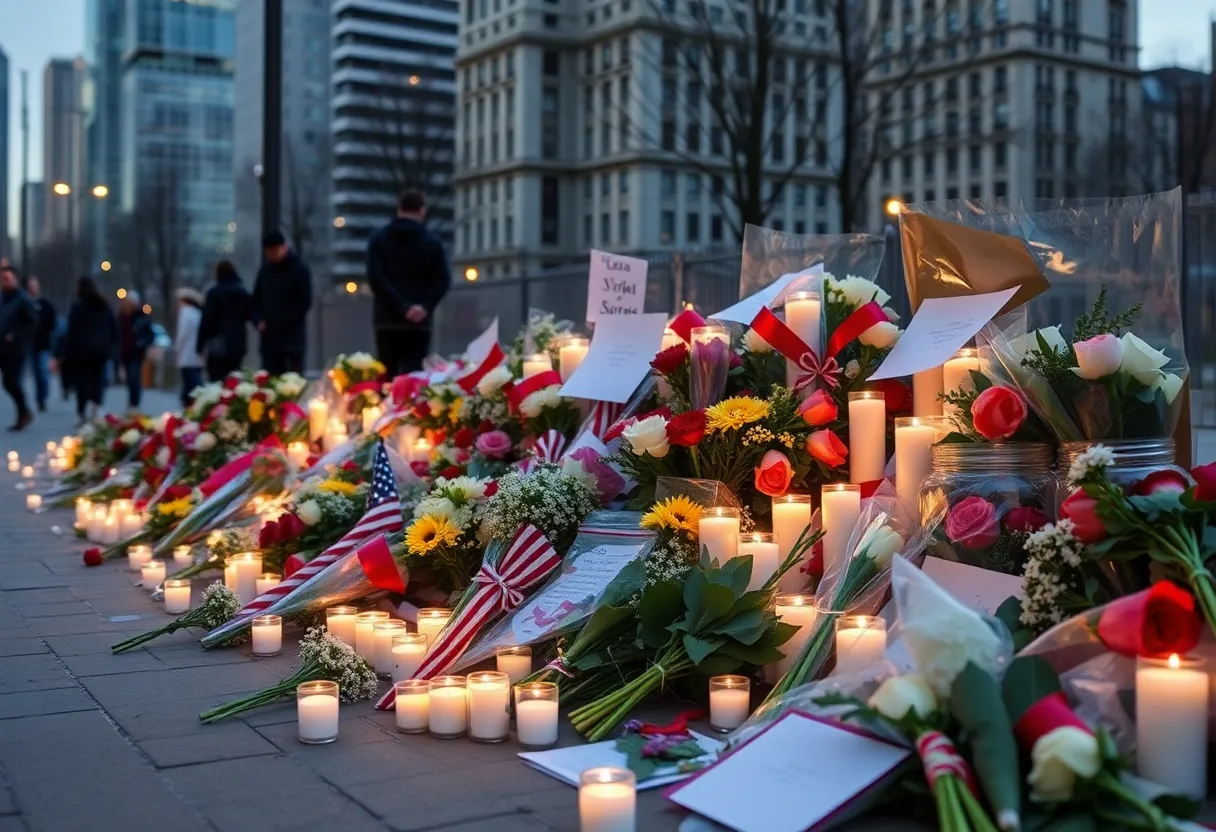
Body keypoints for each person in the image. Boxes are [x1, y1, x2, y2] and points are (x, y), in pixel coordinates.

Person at [367, 189, 451, 376]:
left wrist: (401, 307)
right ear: (422, 211)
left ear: (399, 209)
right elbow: (443, 280)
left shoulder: (378, 241)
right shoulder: (433, 243)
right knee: (414, 377)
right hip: (419, 324)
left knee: (387, 375)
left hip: (387, 321)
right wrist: (423, 307)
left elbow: (377, 278)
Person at [251, 231, 312, 375]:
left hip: (292, 339)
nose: (272, 255)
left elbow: (304, 302)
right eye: (269, 252)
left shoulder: (299, 270)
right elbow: (255, 300)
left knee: (292, 380)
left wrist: (281, 320)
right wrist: (258, 320)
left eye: (275, 251)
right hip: (269, 340)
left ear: (284, 247)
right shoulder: (265, 271)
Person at [58, 276, 117, 424]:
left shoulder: (77, 308)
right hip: (100, 351)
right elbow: (113, 329)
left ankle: (81, 411)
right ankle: (96, 407)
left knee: (82, 382)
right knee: (98, 380)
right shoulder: (104, 306)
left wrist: (66, 353)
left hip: (81, 352)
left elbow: (71, 332)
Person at [197, 259, 251, 382]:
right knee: (235, 379)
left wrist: (199, 345)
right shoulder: (242, 292)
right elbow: (250, 314)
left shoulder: (214, 293)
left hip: (218, 344)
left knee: (216, 380)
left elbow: (206, 321)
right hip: (237, 342)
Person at [0, 265, 37, 430]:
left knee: (11, 381)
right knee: (8, 383)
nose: (4, 281)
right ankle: (23, 412)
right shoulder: (2, 298)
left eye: (7, 278)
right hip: (3, 348)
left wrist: (16, 336)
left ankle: (23, 413)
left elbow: (33, 323)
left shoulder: (22, 299)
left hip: (16, 349)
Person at [117, 291, 154, 410]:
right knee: (129, 379)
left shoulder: (142, 317)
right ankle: (132, 403)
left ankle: (134, 404)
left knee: (134, 378)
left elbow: (149, 335)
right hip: (124, 352)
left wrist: (141, 344)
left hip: (136, 353)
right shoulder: (122, 316)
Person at [25, 276, 56, 413]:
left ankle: (42, 398)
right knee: (35, 372)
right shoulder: (24, 304)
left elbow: (52, 323)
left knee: (43, 372)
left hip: (43, 344)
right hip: (28, 344)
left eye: (35, 285)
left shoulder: (46, 305)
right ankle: (34, 399)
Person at [174, 287, 204, 406]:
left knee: (189, 379)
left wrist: (177, 347)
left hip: (187, 352)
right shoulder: (197, 312)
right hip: (195, 351)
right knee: (192, 377)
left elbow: (182, 333)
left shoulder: (185, 312)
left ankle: (189, 400)